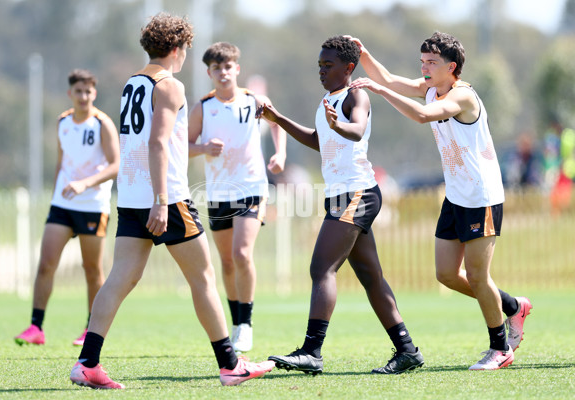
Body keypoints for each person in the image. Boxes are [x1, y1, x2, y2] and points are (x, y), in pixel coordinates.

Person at [69, 13, 274, 389]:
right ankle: (231, 365)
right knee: (203, 276)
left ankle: (87, 363)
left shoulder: (133, 82)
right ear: (177, 50)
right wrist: (162, 201)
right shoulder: (170, 85)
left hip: (130, 196)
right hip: (166, 197)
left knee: (120, 278)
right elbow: (157, 142)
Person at [348, 32, 532, 370]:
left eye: (432, 63)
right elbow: (388, 77)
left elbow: (421, 115)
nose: (425, 68)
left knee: (477, 275)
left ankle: (500, 347)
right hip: (456, 196)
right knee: (446, 274)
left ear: (453, 67)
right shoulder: (431, 88)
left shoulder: (463, 97)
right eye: (423, 62)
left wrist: (381, 92)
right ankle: (511, 306)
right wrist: (363, 53)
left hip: (482, 197)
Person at [257, 35, 424, 375]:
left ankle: (312, 351)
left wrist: (340, 124)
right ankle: (407, 351)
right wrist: (278, 119)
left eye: (328, 65)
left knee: (322, 269)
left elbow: (358, 130)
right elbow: (319, 141)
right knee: (371, 277)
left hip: (357, 194)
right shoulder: (327, 101)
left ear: (349, 68)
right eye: (319, 65)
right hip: (342, 195)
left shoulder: (356, 96)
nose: (321, 71)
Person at [188, 42, 286, 353]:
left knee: (242, 254)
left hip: (252, 189)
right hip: (218, 194)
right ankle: (236, 322)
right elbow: (183, 145)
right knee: (227, 262)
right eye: (216, 68)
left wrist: (280, 154)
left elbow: (276, 123)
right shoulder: (203, 107)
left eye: (227, 66)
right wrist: (203, 148)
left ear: (237, 69)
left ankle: (246, 325)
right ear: (209, 73)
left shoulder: (254, 100)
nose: (223, 72)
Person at [15, 69, 119, 347]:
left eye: (88, 91)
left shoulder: (102, 123)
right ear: (70, 93)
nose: (83, 96)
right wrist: (54, 195)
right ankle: (36, 327)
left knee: (91, 269)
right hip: (62, 204)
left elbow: (115, 165)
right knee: (46, 263)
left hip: (93, 205)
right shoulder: (63, 121)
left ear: (94, 94)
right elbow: (61, 163)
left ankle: (89, 328)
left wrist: (85, 184)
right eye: (78, 91)